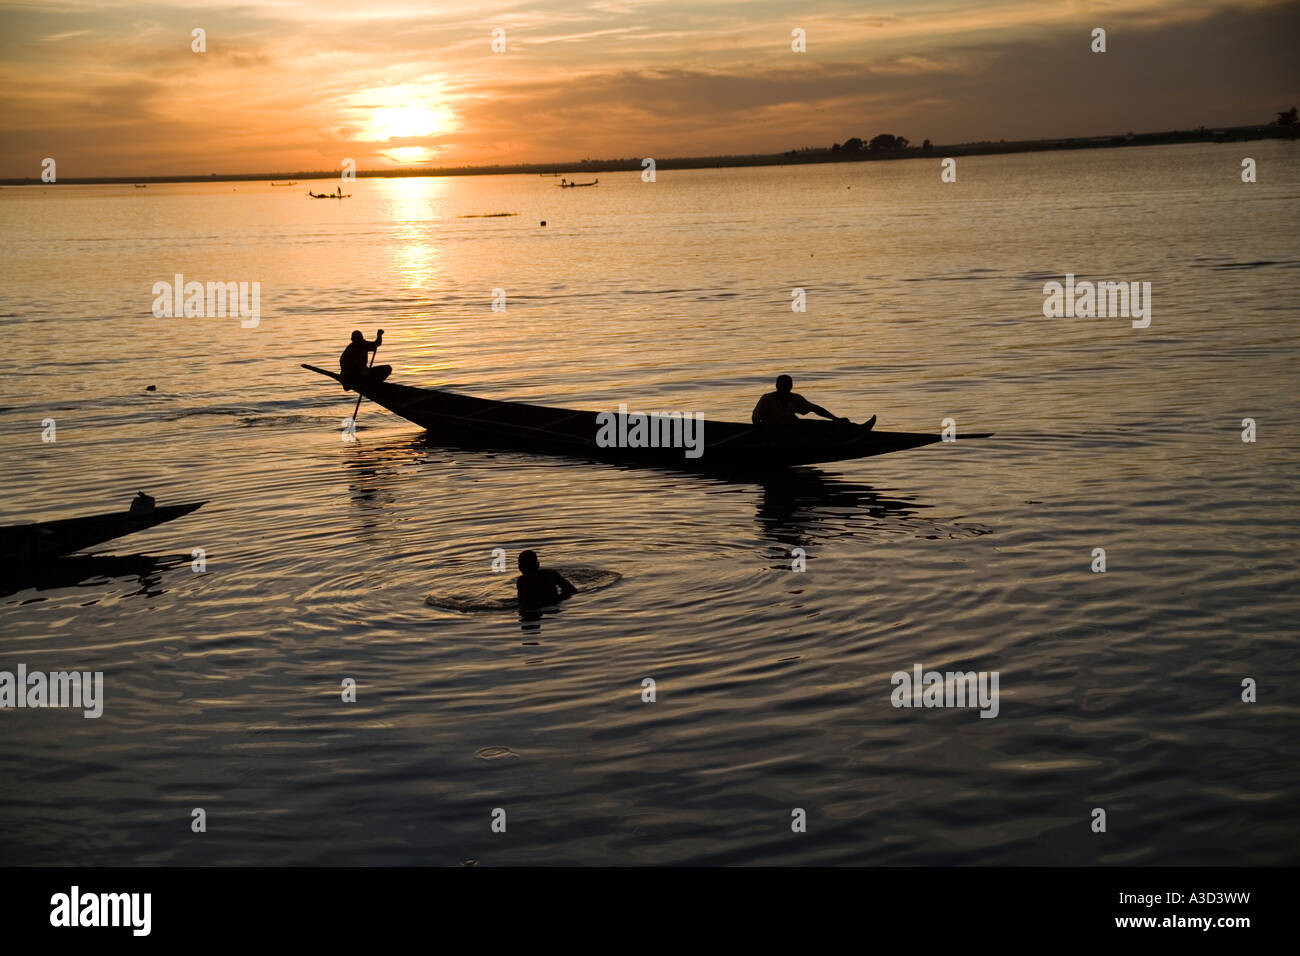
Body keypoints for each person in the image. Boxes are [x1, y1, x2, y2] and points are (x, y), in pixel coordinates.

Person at [752, 375, 874, 429]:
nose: (786, 389)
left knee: (823, 424)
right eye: (783, 386)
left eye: (788, 386)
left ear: (791, 387)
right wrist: (765, 430)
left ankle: (857, 428)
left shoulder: (795, 398)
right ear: (777, 386)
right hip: (775, 430)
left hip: (793, 426)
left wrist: (835, 419)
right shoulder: (767, 399)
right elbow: (755, 418)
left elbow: (816, 409)